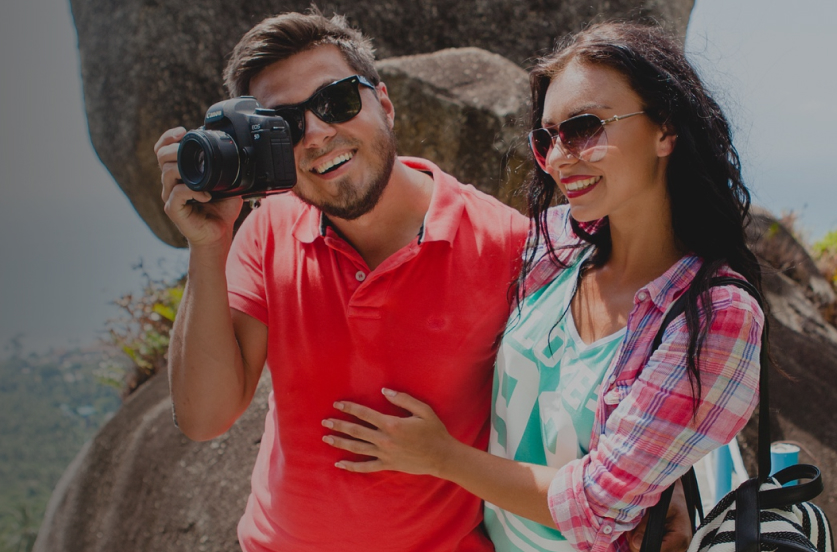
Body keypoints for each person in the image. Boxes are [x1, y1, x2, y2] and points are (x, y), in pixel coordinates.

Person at [319, 22, 767, 552]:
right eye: (546, 138)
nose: (557, 159)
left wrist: (440, 456)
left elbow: (597, 507)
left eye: (583, 129)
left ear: (665, 129)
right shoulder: (557, 246)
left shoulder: (715, 316)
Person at [155, 10, 528, 552]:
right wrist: (208, 246)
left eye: (336, 102)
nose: (316, 133)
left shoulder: (506, 244)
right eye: (284, 126)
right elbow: (205, 418)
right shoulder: (268, 229)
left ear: (386, 104)